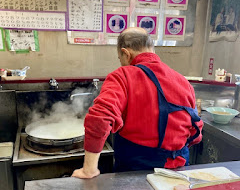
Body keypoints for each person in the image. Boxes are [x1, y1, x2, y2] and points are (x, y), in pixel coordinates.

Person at [72, 28, 203, 179]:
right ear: (152, 49)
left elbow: (100, 118)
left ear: (126, 53)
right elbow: (196, 130)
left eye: (120, 59)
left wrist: (88, 170)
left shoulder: (122, 76)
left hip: (134, 173)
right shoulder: (182, 81)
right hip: (177, 172)